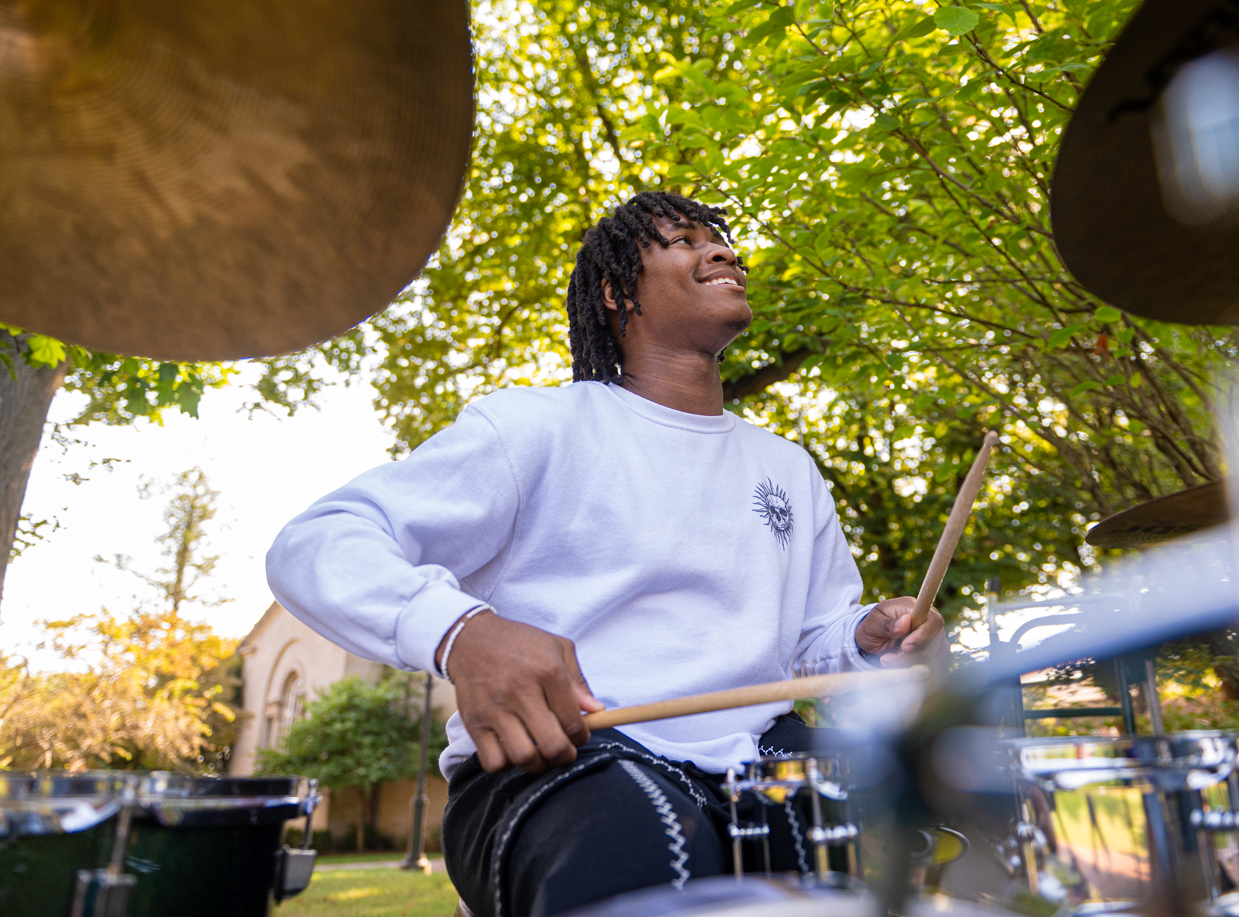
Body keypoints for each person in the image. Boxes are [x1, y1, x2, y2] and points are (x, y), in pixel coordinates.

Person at [267, 191, 947, 917]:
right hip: (562, 759)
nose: (721, 252)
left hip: (761, 756)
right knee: (650, 849)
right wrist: (462, 633)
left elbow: (812, 645)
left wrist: (866, 639)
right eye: (684, 241)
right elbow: (318, 541)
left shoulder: (788, 467)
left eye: (719, 240)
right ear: (618, 291)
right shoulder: (537, 426)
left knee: (894, 833)